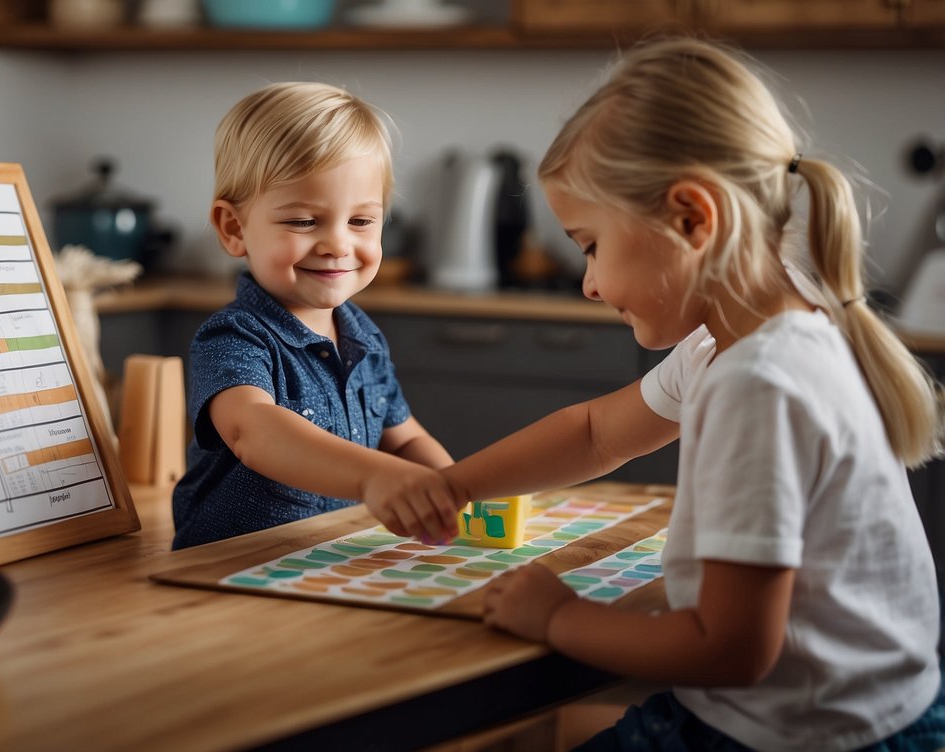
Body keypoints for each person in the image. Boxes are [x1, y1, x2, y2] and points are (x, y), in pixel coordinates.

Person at [367, 38, 945, 750]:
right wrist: (455, 484)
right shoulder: (740, 340)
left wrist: (557, 617)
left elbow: (727, 651)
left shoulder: (760, 384)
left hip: (811, 740)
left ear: (690, 219)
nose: (587, 284)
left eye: (590, 245)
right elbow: (594, 433)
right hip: (839, 717)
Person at [171, 81, 457, 549]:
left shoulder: (364, 337)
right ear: (234, 228)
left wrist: (453, 486)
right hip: (231, 566)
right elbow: (254, 432)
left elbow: (403, 440)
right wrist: (374, 478)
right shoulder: (234, 336)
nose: (338, 245)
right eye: (304, 221)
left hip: (327, 554)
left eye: (361, 221)